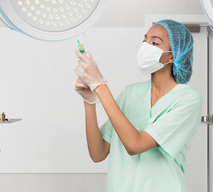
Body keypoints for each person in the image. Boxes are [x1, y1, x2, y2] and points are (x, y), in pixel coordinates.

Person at [74, 19, 203, 192]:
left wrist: (99, 85)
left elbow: (136, 145)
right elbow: (98, 153)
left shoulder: (188, 100)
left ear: (173, 55)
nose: (145, 47)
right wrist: (89, 101)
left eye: (155, 42)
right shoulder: (130, 93)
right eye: (145, 41)